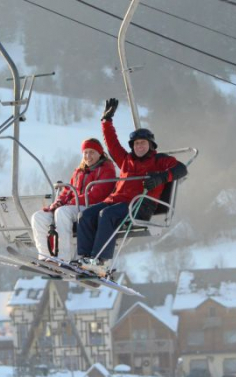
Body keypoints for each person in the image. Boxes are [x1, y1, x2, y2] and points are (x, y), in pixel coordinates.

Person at [76, 98, 188, 275]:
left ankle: (101, 260)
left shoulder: (159, 161)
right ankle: (83, 258)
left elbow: (181, 169)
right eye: (136, 144)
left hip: (140, 205)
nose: (140, 146)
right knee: (86, 214)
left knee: (107, 215)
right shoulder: (126, 160)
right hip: (116, 202)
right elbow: (112, 144)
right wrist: (106, 121)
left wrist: (161, 178)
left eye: (143, 143)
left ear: (150, 145)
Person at [31, 138, 116, 262]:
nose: (88, 156)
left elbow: (97, 194)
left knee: (63, 213)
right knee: (39, 216)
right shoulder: (79, 171)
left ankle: (64, 257)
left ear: (100, 153)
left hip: (91, 207)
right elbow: (68, 191)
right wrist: (58, 203)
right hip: (74, 206)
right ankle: (46, 256)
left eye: (92, 152)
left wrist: (70, 203)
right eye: (85, 152)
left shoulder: (106, 169)